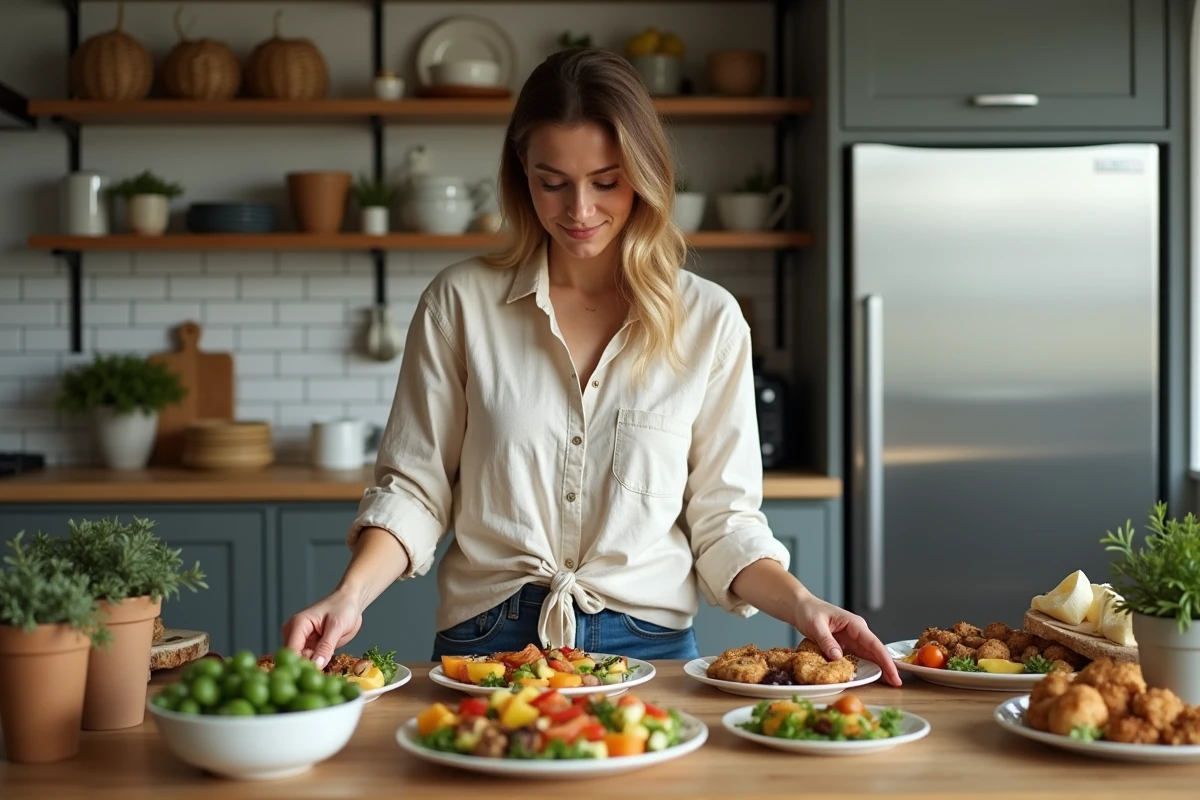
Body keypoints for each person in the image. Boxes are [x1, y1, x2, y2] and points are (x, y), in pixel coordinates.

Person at [282, 48, 901, 687]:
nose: (579, 209)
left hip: (650, 644)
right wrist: (349, 594)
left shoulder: (710, 320)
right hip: (487, 639)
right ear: (523, 172)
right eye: (554, 181)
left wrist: (804, 606)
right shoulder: (460, 303)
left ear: (645, 174)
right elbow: (415, 487)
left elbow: (725, 522)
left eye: (606, 181)